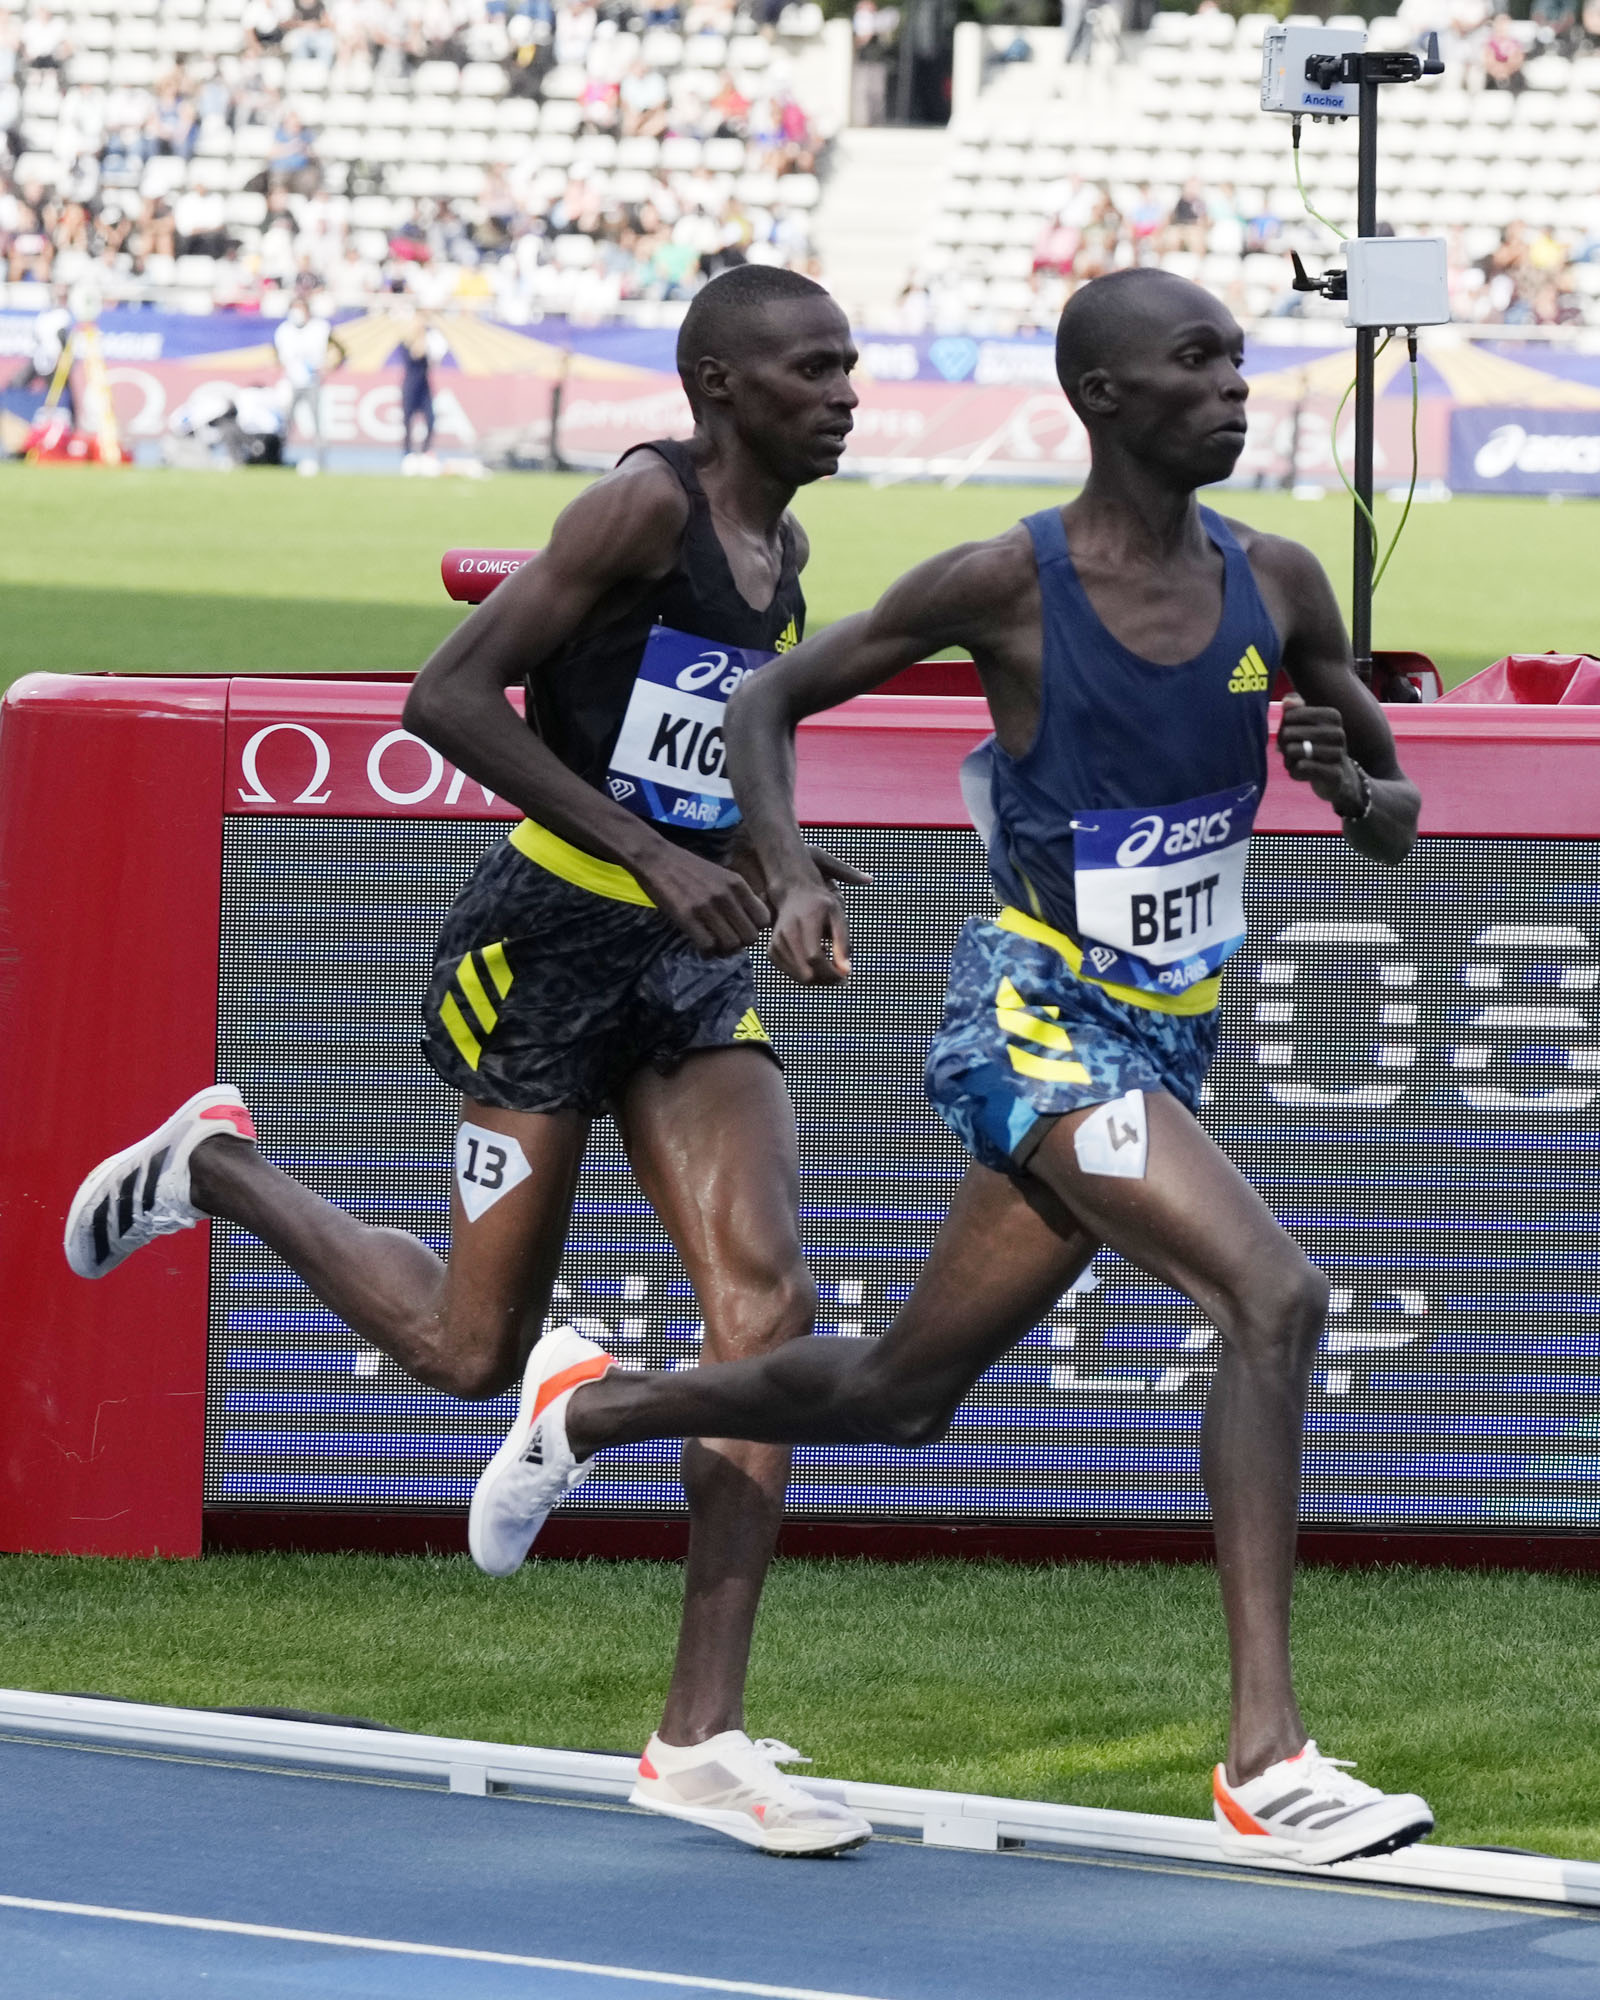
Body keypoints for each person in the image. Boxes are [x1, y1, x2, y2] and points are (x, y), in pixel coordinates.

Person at [452, 268, 1436, 1871]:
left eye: (1242, 362)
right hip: (1035, 1022)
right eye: (1198, 362)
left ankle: (597, 1407)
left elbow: (1396, 821)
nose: (1236, 388)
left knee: (900, 1396)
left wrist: (1350, 787)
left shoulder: (1281, 581)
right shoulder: (1006, 580)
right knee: (1275, 1296)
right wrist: (785, 873)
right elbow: (768, 699)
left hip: (1167, 1031)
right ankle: (1269, 1760)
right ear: (1103, 396)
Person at [63, 263, 874, 1862]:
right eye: (812, 370)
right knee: (465, 1351)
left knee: (769, 1310)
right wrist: (652, 853)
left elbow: (738, 735)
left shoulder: (784, 552)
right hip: (545, 951)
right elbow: (447, 697)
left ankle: (698, 1738)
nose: (845, 394)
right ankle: (215, 1167)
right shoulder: (640, 508)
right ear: (720, 385)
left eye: (850, 366)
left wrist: (776, 867)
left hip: (685, 968)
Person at [272, 294, 346, 474]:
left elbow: (341, 350)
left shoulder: (320, 328)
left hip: (313, 381)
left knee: (318, 422)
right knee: (285, 423)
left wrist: (330, 366)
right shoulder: (284, 330)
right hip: (291, 382)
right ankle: (276, 457)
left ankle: (321, 461)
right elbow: (277, 354)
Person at [398, 306, 448, 468]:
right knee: (408, 420)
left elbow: (436, 357)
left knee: (431, 419)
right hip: (410, 384)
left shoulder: (431, 339)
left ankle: (426, 451)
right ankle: (408, 453)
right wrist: (419, 335)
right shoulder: (407, 340)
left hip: (424, 384)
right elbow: (415, 354)